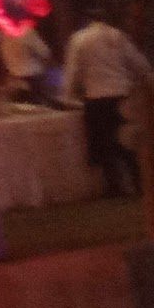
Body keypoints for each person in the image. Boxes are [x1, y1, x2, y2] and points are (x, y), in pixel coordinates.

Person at [62, 10, 153, 197]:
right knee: (127, 142)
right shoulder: (117, 36)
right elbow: (139, 64)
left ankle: (114, 187)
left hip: (96, 97)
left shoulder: (79, 39)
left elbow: (73, 70)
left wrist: (68, 96)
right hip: (122, 96)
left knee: (103, 145)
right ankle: (139, 183)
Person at [0, 26, 63, 107]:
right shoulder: (26, 32)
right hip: (34, 77)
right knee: (42, 106)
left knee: (20, 107)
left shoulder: (5, 34)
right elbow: (44, 53)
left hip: (13, 76)